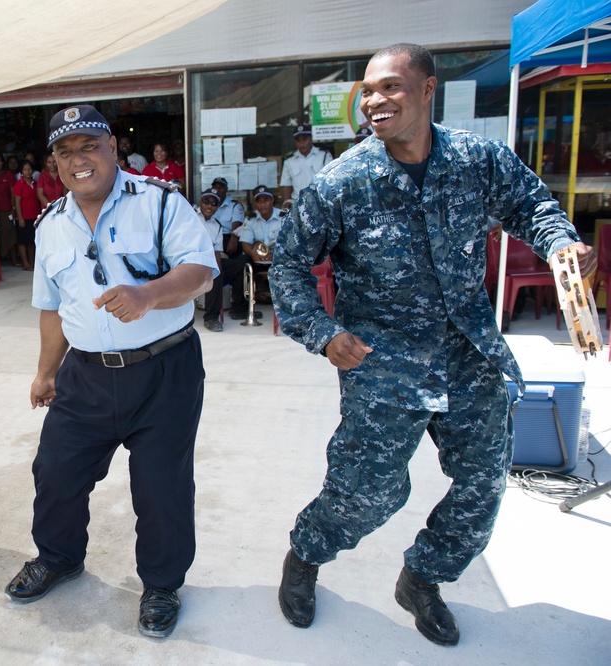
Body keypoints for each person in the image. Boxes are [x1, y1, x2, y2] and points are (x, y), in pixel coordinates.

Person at [269, 43, 595, 647]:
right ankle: (305, 555)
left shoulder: (476, 160)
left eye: (390, 87)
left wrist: (561, 245)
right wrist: (323, 333)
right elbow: (287, 264)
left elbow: (532, 204)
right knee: (369, 493)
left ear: (427, 90)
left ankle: (423, 579)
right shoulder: (344, 181)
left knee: (482, 484)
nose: (374, 101)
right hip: (383, 363)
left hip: (470, 355)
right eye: (367, 90)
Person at [4, 105, 216, 639]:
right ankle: (59, 558)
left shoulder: (161, 202)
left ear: (112, 149)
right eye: (65, 152)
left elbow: (201, 272)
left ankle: (162, 585)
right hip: (86, 375)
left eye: (89, 147)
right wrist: (45, 373)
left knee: (161, 487)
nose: (79, 160)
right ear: (54, 163)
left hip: (164, 369)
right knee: (55, 471)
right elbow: (53, 308)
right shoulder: (50, 224)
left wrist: (148, 294)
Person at [197, 188, 249, 331]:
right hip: (191, 263)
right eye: (206, 201)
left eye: (213, 204)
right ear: (200, 202)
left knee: (241, 266)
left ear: (217, 207)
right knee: (215, 274)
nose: (209, 206)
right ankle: (211, 318)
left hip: (209, 261)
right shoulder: (190, 219)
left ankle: (239, 309)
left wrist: (218, 266)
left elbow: (217, 252)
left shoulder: (217, 226)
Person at [279, 124, 332, 204]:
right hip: (299, 204)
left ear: (310, 138)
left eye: (304, 139)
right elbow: (287, 186)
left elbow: (331, 181)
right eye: (298, 140)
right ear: (295, 142)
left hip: (320, 203)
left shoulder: (324, 156)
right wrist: (286, 208)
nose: (302, 143)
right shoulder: (289, 161)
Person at [12, 160, 39, 271]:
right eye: (25, 169)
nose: (27, 171)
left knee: (32, 241)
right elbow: (17, 202)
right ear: (21, 172)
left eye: (29, 169)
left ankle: (31, 262)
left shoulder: (35, 183)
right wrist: (20, 218)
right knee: (22, 241)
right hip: (23, 217)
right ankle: (25, 263)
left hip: (34, 216)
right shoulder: (19, 184)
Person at [210, 177, 246, 257]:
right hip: (211, 236)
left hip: (227, 237)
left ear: (226, 189)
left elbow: (237, 224)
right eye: (215, 187)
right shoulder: (208, 204)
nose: (217, 189)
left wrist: (233, 239)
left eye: (221, 187)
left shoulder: (234, 205)